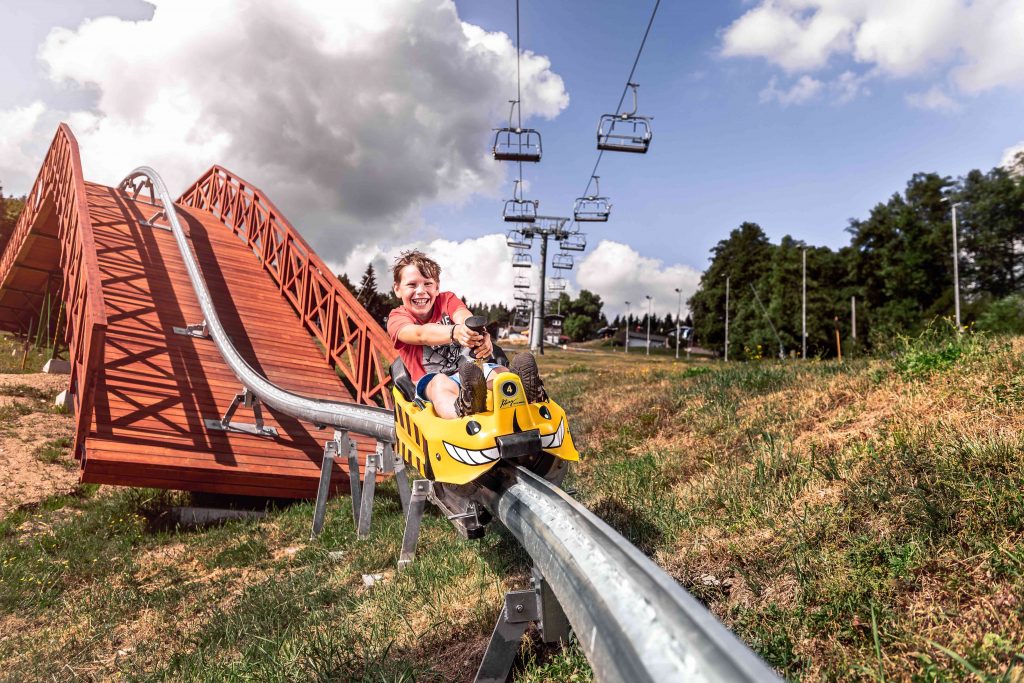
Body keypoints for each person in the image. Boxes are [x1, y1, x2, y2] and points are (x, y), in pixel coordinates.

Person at [387, 250, 547, 419]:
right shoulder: (397, 318)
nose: (421, 291)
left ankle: (526, 392)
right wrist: (455, 332)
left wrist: (478, 333)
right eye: (412, 285)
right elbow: (420, 334)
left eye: (427, 284)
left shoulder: (446, 299)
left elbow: (463, 315)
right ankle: (463, 408)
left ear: (437, 287)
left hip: (472, 375)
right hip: (432, 380)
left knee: (500, 374)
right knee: (440, 385)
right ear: (397, 289)